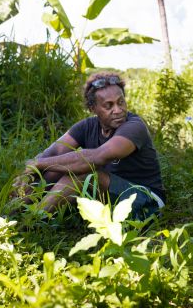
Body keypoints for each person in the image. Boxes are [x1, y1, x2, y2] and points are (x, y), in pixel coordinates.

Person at [13, 72, 165, 221]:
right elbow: (51, 154)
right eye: (108, 105)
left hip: (147, 202)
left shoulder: (134, 127)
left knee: (86, 174)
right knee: (51, 170)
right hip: (112, 196)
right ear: (93, 108)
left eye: (121, 102)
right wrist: (29, 172)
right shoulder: (87, 126)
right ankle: (10, 214)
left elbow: (96, 157)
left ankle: (30, 222)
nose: (118, 110)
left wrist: (37, 164)